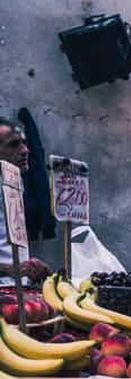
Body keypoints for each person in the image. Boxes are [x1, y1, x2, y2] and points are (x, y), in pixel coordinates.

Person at [0, 118, 50, 284]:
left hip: (17, 293)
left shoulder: (15, 181)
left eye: (24, 143)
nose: (25, 150)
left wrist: (26, 267)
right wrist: (10, 268)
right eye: (14, 144)